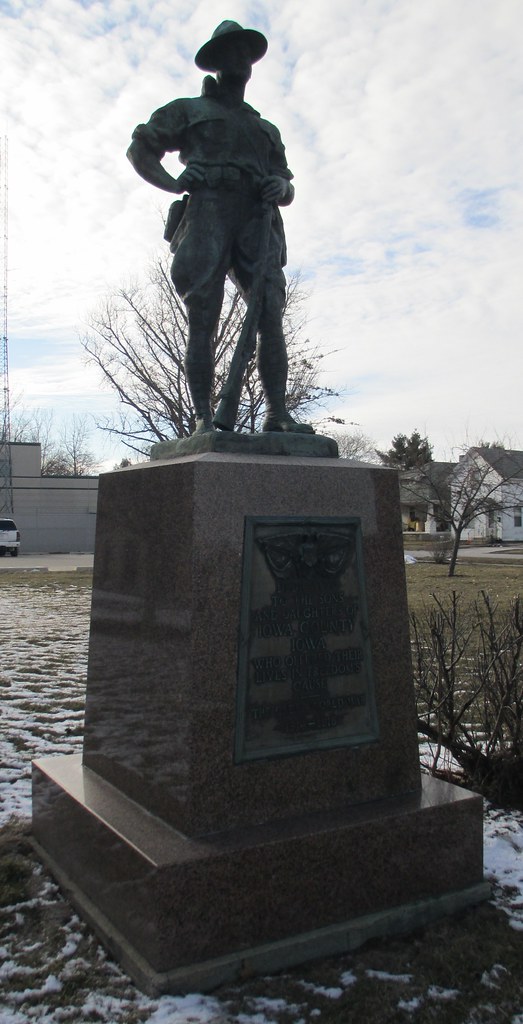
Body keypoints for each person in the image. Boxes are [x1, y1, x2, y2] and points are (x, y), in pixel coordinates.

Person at [127, 20, 314, 436]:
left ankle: (278, 415)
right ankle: (202, 419)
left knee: (269, 315)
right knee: (204, 317)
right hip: (208, 210)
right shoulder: (189, 110)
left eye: (246, 53)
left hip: (258, 219)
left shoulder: (265, 128)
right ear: (214, 63)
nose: (240, 60)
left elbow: (286, 182)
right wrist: (172, 183)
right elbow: (141, 147)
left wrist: (280, 186)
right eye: (230, 52)